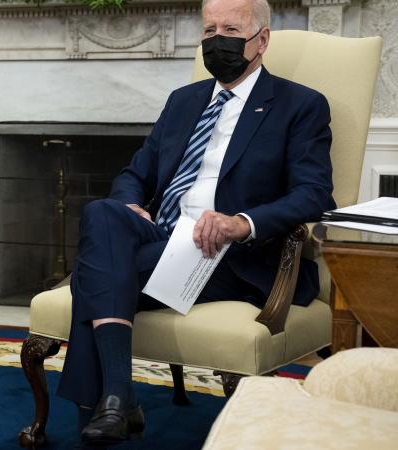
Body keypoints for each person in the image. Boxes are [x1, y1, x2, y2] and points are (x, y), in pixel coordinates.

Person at [58, 0, 334, 446]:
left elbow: (314, 194)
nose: (216, 39)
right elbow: (135, 174)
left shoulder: (299, 105)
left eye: (230, 28)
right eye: (209, 29)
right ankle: (117, 398)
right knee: (103, 212)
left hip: (227, 252)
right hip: (162, 234)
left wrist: (241, 223)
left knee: (96, 273)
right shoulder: (183, 101)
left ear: (261, 41)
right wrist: (132, 205)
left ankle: (111, 406)